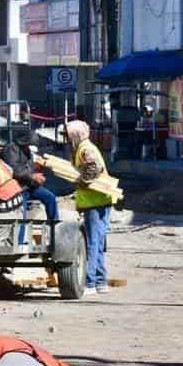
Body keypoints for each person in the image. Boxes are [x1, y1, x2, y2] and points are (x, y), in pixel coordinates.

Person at [66, 120, 114, 296]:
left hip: (95, 202)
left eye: (68, 136)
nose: (67, 140)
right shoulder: (85, 146)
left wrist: (82, 182)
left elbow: (94, 168)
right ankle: (101, 281)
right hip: (101, 200)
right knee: (98, 242)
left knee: (93, 243)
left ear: (75, 136)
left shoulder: (85, 149)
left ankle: (91, 282)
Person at [0, 126, 59, 223]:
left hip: (29, 186)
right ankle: (21, 236)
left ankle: (54, 224)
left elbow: (29, 167)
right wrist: (31, 176)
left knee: (50, 197)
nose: (30, 146)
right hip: (18, 188)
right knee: (21, 212)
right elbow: (13, 169)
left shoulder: (27, 150)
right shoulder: (11, 149)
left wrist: (37, 174)